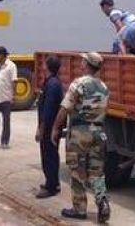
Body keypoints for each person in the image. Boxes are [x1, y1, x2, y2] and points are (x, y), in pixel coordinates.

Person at [51, 52, 111, 223]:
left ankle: (79, 208)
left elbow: (65, 108)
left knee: (77, 170)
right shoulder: (103, 87)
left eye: (83, 60)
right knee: (97, 172)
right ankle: (102, 202)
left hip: (80, 133)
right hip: (99, 133)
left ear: (86, 64)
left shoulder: (79, 84)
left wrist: (55, 128)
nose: (81, 62)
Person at [35, 56, 64, 198]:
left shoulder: (52, 85)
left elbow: (48, 110)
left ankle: (51, 186)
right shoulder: (51, 82)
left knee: (49, 156)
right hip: (48, 126)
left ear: (47, 67)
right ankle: (52, 182)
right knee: (49, 155)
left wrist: (41, 128)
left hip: (49, 128)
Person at [0, 46, 17, 149]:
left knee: (6, 121)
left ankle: (4, 142)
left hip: (5, 98)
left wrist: (13, 96)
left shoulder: (11, 66)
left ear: (4, 56)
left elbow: (14, 81)